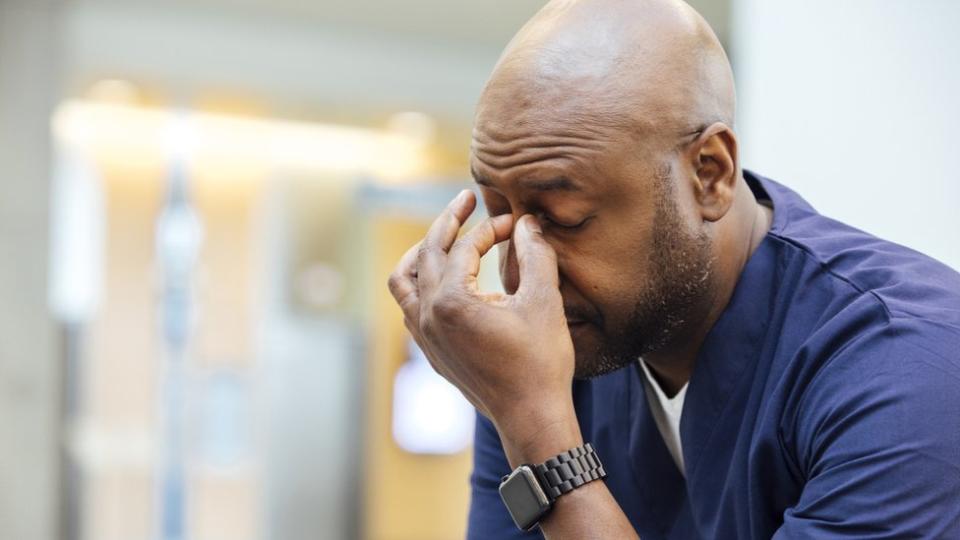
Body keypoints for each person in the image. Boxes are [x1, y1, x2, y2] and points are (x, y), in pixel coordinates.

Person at [386, 0, 960, 537]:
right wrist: (521, 412)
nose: (520, 276)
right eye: (501, 219)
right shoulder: (542, 360)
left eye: (565, 218)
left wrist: (543, 441)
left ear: (709, 174)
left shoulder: (909, 369)